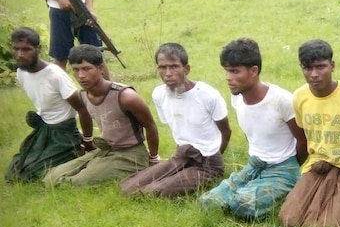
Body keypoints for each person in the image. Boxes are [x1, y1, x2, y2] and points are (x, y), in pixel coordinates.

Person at [199, 38, 307, 220]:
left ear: (254, 71)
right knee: (209, 201)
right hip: (255, 163)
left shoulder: (282, 100)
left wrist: (288, 167)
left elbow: (304, 140)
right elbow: (253, 134)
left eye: (234, 71)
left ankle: (288, 189)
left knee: (241, 205)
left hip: (284, 168)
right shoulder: (237, 97)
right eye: (226, 71)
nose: (228, 77)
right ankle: (252, 187)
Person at [278, 39, 340, 227]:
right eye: (307, 68)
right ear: (301, 68)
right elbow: (304, 136)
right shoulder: (299, 97)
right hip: (317, 164)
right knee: (289, 220)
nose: (314, 74)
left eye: (320, 67)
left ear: (332, 66)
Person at [120, 43, 231, 198]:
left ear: (186, 69)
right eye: (162, 67)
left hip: (208, 162)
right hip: (182, 154)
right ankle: (181, 171)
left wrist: (214, 157)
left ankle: (202, 174)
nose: (168, 73)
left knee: (155, 192)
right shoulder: (159, 94)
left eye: (174, 67)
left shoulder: (207, 95)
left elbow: (226, 131)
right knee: (129, 187)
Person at [43, 44, 159, 186]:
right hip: (106, 149)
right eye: (76, 70)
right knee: (51, 176)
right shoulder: (83, 95)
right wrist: (87, 140)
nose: (81, 76)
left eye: (86, 69)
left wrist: (153, 159)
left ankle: (133, 168)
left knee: (77, 182)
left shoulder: (125, 96)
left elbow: (150, 126)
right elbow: (84, 115)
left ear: (100, 69)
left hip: (130, 153)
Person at [6, 27, 94, 182]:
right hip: (45, 128)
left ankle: (76, 150)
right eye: (16, 49)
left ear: (38, 49)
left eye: (26, 49)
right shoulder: (21, 72)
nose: (20, 54)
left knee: (32, 173)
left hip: (65, 133)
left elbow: (82, 108)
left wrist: (87, 140)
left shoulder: (55, 75)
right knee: (15, 169)